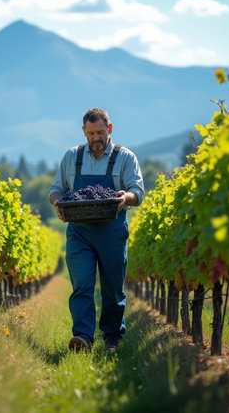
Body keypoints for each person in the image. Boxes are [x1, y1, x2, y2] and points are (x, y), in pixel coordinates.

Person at [49, 107, 144, 353]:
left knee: (113, 288)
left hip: (112, 231)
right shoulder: (72, 156)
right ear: (84, 132)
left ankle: (112, 337)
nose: (96, 138)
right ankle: (83, 336)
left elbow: (138, 192)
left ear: (109, 129)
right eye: (91, 133)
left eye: (101, 132)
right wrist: (58, 203)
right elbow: (56, 189)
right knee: (82, 284)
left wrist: (127, 197)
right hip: (79, 231)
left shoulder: (125, 157)